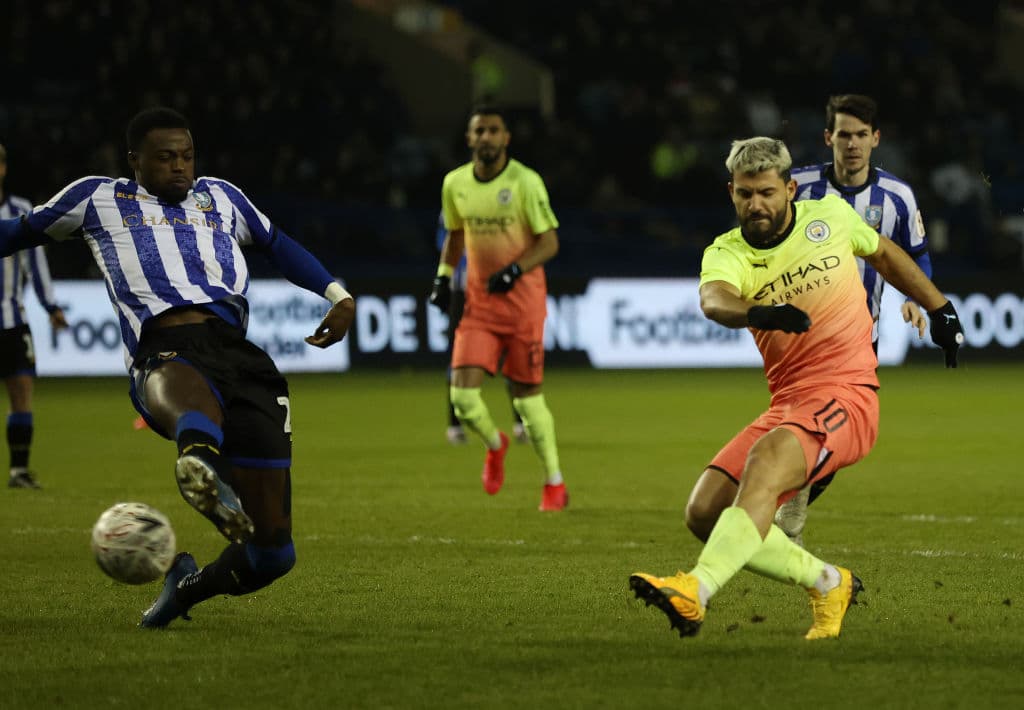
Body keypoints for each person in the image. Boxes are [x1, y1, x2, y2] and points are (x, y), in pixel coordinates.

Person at [0, 107, 355, 627]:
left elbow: (277, 244)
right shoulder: (98, 198)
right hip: (162, 343)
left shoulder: (223, 196)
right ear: (134, 162)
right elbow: (18, 232)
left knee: (274, 554)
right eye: (165, 157)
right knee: (184, 382)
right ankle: (199, 459)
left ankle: (184, 588)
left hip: (241, 355)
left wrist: (337, 295)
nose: (180, 167)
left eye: (186, 156)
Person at [629, 137, 963, 640]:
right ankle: (830, 583)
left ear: (789, 189)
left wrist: (940, 308)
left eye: (766, 192)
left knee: (765, 461)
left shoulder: (827, 217)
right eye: (744, 194)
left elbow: (886, 255)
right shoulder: (728, 251)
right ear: (731, 193)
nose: (755, 204)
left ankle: (694, 591)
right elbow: (714, 301)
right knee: (704, 512)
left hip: (847, 395)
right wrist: (759, 312)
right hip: (789, 402)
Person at [777, 94, 934, 544]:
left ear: (876, 139)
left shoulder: (897, 198)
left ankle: (781, 505)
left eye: (861, 135)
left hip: (860, 340)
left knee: (839, 441)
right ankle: (781, 514)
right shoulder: (799, 186)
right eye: (843, 134)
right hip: (803, 338)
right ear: (828, 138)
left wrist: (914, 298)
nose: (852, 144)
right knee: (817, 428)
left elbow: (918, 260)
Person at [428, 104, 568, 511]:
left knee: (527, 400)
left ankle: (554, 482)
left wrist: (514, 270)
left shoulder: (526, 182)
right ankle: (495, 443)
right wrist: (441, 276)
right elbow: (455, 235)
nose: (486, 137)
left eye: (494, 130)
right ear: (470, 139)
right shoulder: (454, 184)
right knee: (463, 399)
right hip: (480, 307)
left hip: (524, 308)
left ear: (506, 138)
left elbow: (550, 242)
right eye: (479, 131)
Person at [0, 144, 69, 489]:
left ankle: (19, 471)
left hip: (13, 322)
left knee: (22, 393)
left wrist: (52, 307)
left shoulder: (20, 210)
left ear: (3, 168)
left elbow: (36, 266)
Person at [434, 210, 527, 446]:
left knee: (510, 353)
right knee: (459, 357)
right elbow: (445, 242)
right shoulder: (455, 199)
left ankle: (521, 422)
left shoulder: (496, 200)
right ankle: (454, 424)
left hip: (496, 289)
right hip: (463, 291)